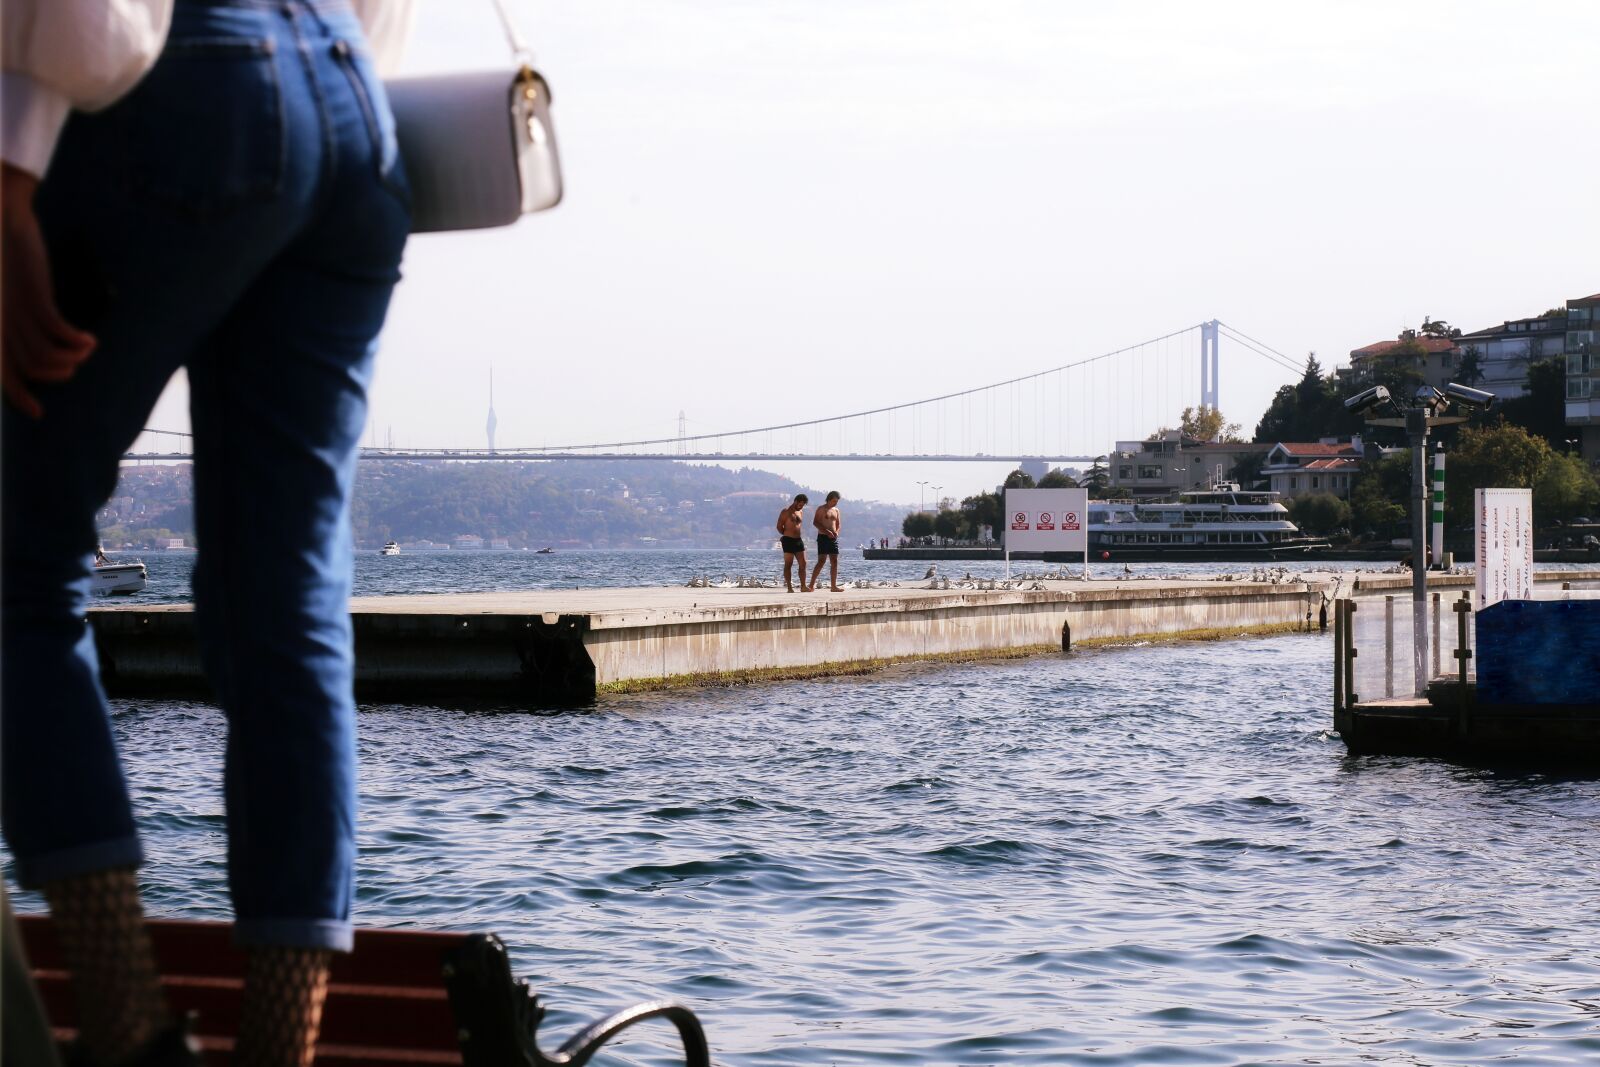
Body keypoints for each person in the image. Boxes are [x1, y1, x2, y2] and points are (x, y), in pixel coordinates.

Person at [1, 1, 415, 1065]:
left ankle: (129, 1023)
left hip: (181, 84)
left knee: (15, 561)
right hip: (353, 105)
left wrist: (7, 166)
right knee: (289, 608)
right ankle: (280, 1045)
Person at [808, 491, 843, 592]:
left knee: (834, 562)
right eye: (834, 501)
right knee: (821, 561)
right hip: (823, 537)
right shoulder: (821, 509)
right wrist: (826, 531)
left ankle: (833, 586)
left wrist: (836, 532)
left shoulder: (836, 510)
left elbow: (838, 524)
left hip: (833, 538)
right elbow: (815, 522)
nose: (835, 503)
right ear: (829, 499)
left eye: (837, 501)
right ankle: (811, 585)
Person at [776, 494, 809, 592]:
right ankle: (790, 587)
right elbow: (779, 526)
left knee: (803, 563)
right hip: (788, 541)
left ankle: (803, 586)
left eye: (803, 505)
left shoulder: (801, 512)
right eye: (800, 504)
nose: (801, 506)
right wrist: (785, 535)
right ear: (795, 501)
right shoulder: (785, 511)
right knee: (788, 564)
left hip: (798, 540)